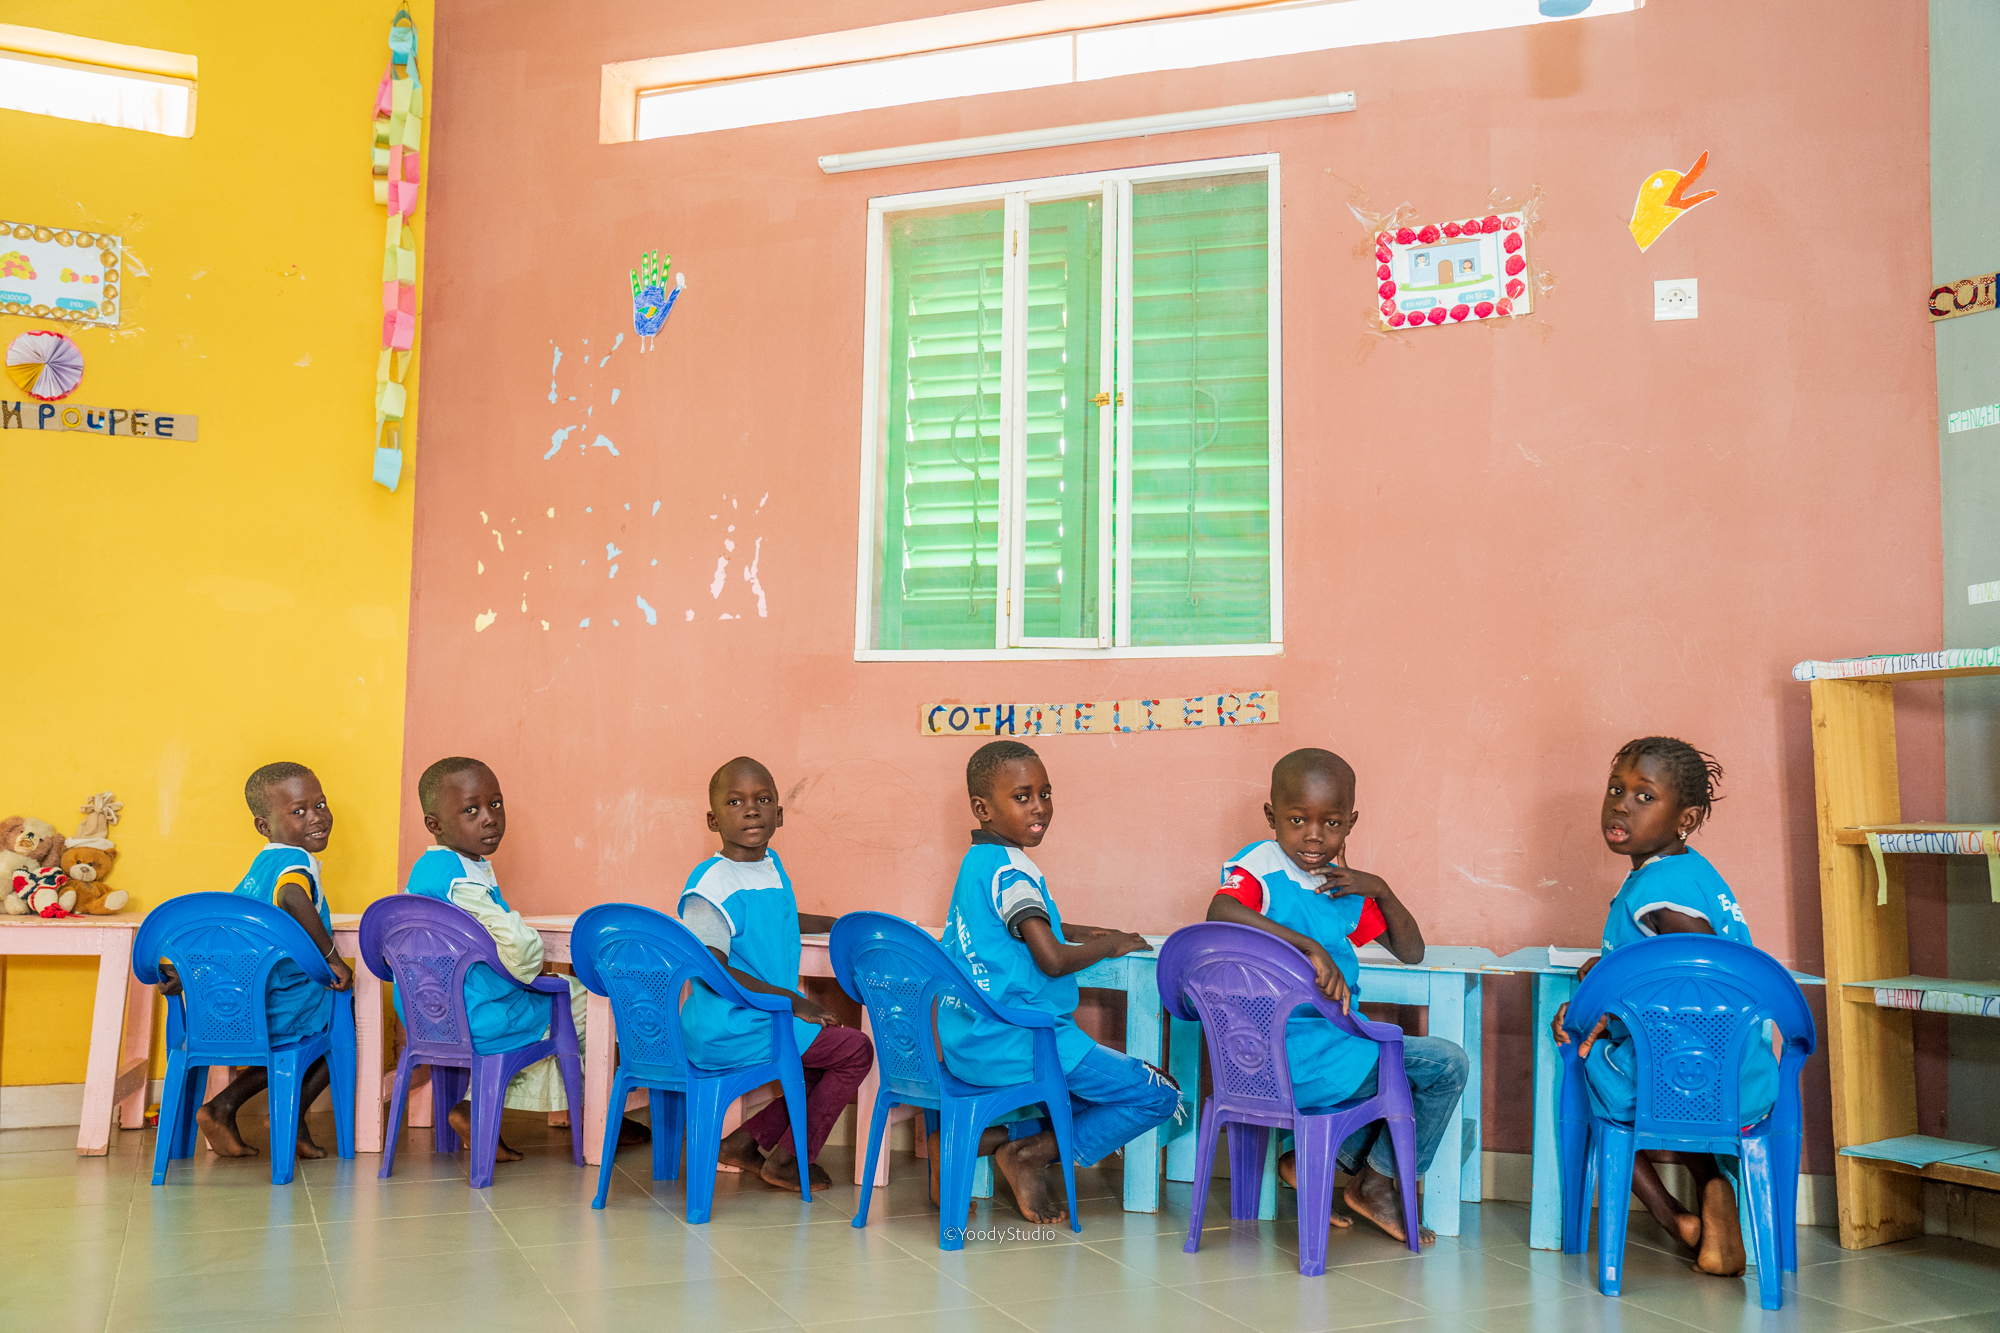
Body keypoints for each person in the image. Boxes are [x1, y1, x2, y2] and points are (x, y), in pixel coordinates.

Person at [1206, 747, 1467, 1245]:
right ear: (1271, 817)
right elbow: (1219, 912)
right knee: (1444, 1066)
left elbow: (1410, 951)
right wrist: (1308, 948)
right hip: (1298, 1054)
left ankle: (1315, 1162)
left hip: (1294, 1059)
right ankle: (1372, 1182)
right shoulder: (1259, 866)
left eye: (1330, 823)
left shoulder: (1340, 888)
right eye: (1297, 819)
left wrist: (1381, 890)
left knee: (1402, 1071)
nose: (1312, 835)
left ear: (1350, 824)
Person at [1552, 736, 1780, 1277]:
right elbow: (1669, 965)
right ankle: (1714, 1187)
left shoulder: (1659, 891)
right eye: (1616, 789)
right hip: (1744, 1077)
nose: (1621, 804)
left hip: (1693, 1073)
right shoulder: (1692, 872)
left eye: (1644, 796)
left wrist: (1599, 1009)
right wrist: (1610, 969)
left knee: (1574, 1049)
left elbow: (1699, 984)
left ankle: (1673, 1214)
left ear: (1687, 817)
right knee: (1644, 1072)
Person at [934, 740, 1181, 1227]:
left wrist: (1085, 931)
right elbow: (1049, 959)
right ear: (983, 808)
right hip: (1025, 1041)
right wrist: (1108, 947)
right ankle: (1028, 1153)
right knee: (1159, 1093)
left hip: (971, 1041)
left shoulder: (975, 864)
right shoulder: (1012, 870)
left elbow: (1019, 929)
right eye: (1023, 796)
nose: (1040, 807)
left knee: (1100, 1087)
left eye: (1045, 793)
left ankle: (994, 1138)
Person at [402, 757, 630, 1163]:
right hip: (480, 1016)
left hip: (428, 1017)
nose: (489, 819)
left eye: (496, 804)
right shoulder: (463, 879)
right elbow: (521, 952)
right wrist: (531, 961)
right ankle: (600, 1120)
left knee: (551, 1012)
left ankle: (478, 1109)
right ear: (435, 824)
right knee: (594, 1002)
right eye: (471, 810)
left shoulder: (427, 871)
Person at [681, 757, 874, 1193]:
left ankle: (743, 1144)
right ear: (713, 819)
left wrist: (838, 924)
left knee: (812, 1068)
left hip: (759, 1017)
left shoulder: (768, 865)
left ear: (779, 815)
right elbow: (713, 970)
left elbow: (782, 918)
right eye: (736, 801)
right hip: (727, 1023)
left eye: (763, 800)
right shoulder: (711, 885)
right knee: (855, 1051)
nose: (751, 809)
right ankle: (789, 1159)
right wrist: (795, 1002)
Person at [156, 761, 354, 1159]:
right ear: (264, 826)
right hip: (277, 1002)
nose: (316, 817)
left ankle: (226, 1108)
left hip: (230, 1006)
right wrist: (333, 958)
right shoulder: (295, 865)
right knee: (341, 1024)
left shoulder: (260, 865)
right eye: (298, 811)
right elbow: (292, 897)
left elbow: (226, 929)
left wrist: (190, 972)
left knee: (302, 1031)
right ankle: (281, 1114)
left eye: (320, 804)